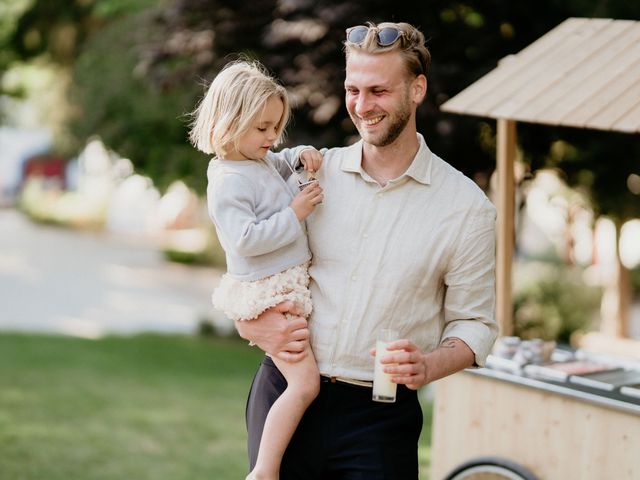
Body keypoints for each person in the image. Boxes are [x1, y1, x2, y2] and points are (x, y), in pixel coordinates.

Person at [235, 21, 499, 479]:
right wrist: (248, 322)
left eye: (378, 91)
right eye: (352, 90)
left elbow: (475, 324)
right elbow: (248, 259)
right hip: (285, 391)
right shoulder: (312, 174)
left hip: (379, 417)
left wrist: (428, 364)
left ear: (417, 90)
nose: (361, 106)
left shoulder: (466, 208)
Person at [188, 60, 325, 480]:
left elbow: (279, 163)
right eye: (263, 128)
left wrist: (298, 155)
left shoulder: (257, 159)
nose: (272, 137)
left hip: (282, 282)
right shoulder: (228, 181)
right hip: (269, 290)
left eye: (276, 127)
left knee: (301, 380)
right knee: (304, 384)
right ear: (231, 123)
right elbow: (244, 240)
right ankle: (265, 469)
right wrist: (294, 212)